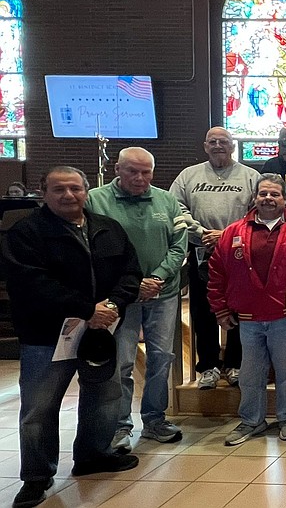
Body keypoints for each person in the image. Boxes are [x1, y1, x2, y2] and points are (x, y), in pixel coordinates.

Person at [1, 166, 142, 506]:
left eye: (75, 189)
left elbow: (130, 272)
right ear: (43, 191)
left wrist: (112, 303)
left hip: (100, 331)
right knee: (39, 407)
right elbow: (31, 283)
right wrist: (85, 307)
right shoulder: (26, 233)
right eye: (59, 189)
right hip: (47, 335)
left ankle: (92, 455)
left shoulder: (108, 228)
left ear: (86, 190)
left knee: (104, 396)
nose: (68, 196)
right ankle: (36, 476)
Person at [207, 174, 286, 446]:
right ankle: (252, 420)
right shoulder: (233, 232)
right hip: (249, 318)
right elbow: (216, 273)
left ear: (285, 199)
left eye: (275, 194)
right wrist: (220, 309)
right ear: (254, 197)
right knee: (251, 374)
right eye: (263, 193)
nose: (268, 198)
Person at [86, 148, 188, 454]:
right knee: (123, 362)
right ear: (117, 168)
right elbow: (94, 249)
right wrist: (131, 286)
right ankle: (120, 425)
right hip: (120, 298)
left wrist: (157, 277)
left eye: (146, 172)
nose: (139, 178)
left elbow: (178, 245)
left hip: (163, 294)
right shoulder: (95, 200)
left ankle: (155, 419)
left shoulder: (167, 200)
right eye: (132, 171)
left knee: (161, 359)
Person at [170, 127, 261, 390]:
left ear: (233, 146)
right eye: (213, 142)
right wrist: (201, 233)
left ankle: (235, 364)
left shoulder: (249, 176)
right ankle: (208, 366)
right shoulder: (189, 175)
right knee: (203, 310)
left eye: (223, 141)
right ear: (205, 145)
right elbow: (176, 208)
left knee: (239, 309)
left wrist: (228, 234)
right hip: (202, 251)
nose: (218, 145)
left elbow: (257, 212)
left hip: (239, 252)